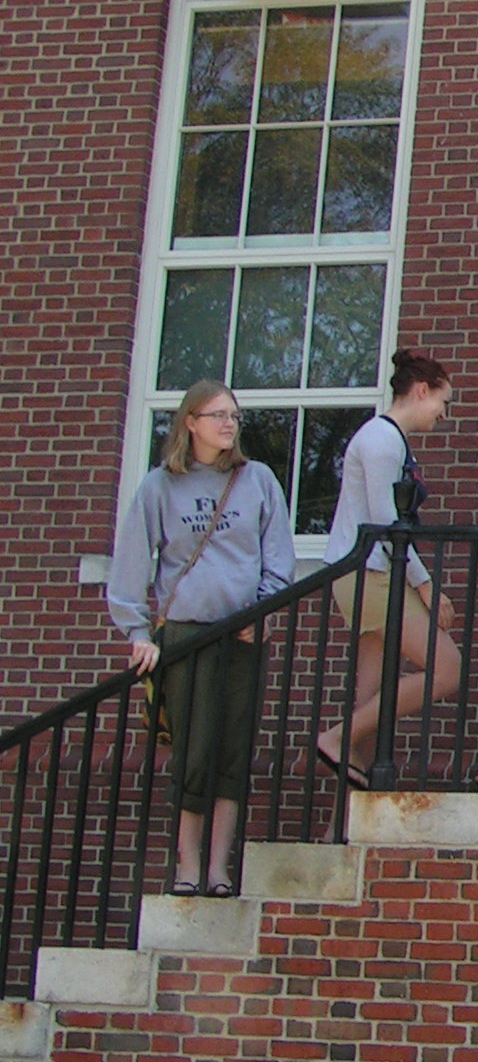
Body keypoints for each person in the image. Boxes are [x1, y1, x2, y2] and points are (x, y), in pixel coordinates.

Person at [108, 382, 294, 896]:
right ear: (190, 422)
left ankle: (218, 869)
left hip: (243, 635)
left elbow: (278, 558)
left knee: (233, 750)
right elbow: (130, 564)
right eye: (217, 415)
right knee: (193, 751)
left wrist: (264, 611)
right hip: (186, 636)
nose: (229, 424)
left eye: (234, 415)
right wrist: (138, 632)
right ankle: (187, 867)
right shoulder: (160, 486)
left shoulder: (257, 479)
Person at [317, 349, 460, 788]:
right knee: (447, 668)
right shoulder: (382, 440)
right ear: (422, 391)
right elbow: (386, 524)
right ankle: (335, 739)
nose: (443, 414)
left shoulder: (385, 438)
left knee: (370, 696)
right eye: (443, 402)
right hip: (372, 573)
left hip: (366, 573)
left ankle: (348, 808)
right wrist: (426, 585)